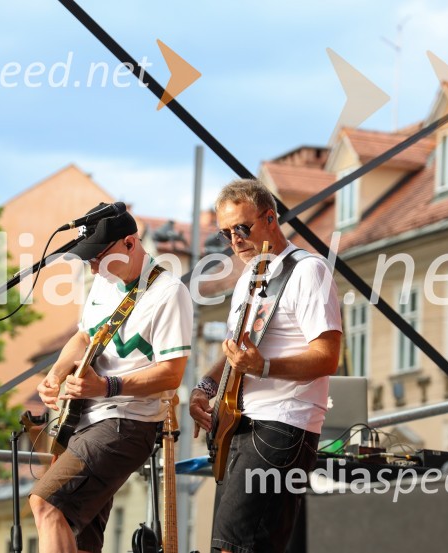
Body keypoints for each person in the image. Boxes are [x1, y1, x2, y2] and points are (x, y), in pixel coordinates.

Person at [190, 179, 342, 553]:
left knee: (237, 547)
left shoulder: (308, 271)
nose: (235, 240)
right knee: (229, 546)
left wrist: (265, 366)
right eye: (226, 233)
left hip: (285, 423)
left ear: (270, 218)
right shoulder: (247, 279)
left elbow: (328, 357)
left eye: (242, 228)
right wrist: (204, 389)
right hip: (239, 423)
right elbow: (234, 352)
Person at [30, 204, 193, 553]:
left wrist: (106, 387)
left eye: (98, 257)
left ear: (130, 244)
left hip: (127, 424)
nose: (92, 267)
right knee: (79, 534)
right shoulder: (105, 282)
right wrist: (56, 375)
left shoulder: (169, 292)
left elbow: (172, 374)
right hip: (86, 420)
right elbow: (83, 337)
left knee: (47, 504)